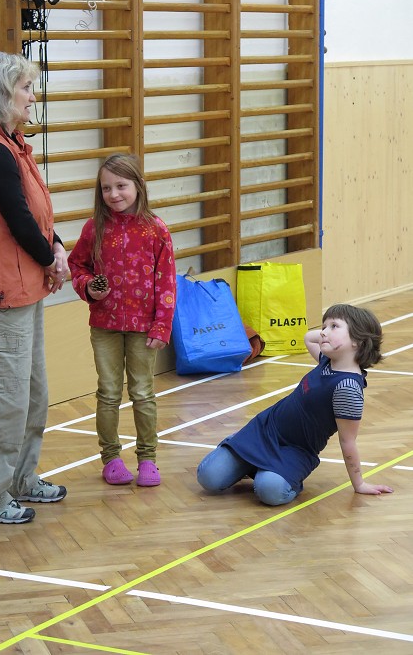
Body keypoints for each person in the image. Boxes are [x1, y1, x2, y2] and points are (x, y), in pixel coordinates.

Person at [0, 51, 69, 524]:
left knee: (30, 393)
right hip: (3, 296)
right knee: (1, 399)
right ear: (0, 93)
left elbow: (37, 211)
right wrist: (53, 260)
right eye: (25, 87)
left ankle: (20, 479)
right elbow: (18, 220)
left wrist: (58, 246)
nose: (32, 96)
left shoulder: (12, 143)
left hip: (26, 289)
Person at [197, 304, 394, 505]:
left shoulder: (348, 388)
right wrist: (331, 334)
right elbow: (309, 337)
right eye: (324, 326)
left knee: (270, 493)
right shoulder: (327, 360)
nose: (324, 332)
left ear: (358, 341)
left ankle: (273, 473)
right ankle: (245, 454)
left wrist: (359, 484)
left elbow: (348, 441)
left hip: (296, 450)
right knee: (208, 478)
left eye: (334, 326)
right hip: (266, 430)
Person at [69, 154, 176, 487]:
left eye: (121, 186)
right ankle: (111, 458)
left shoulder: (156, 230)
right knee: (109, 392)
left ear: (138, 186)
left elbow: (167, 281)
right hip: (105, 325)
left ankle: (148, 459)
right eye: (106, 188)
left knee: (143, 393)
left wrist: (162, 325)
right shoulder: (94, 228)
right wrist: (88, 288)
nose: (114, 194)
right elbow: (77, 267)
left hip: (144, 327)